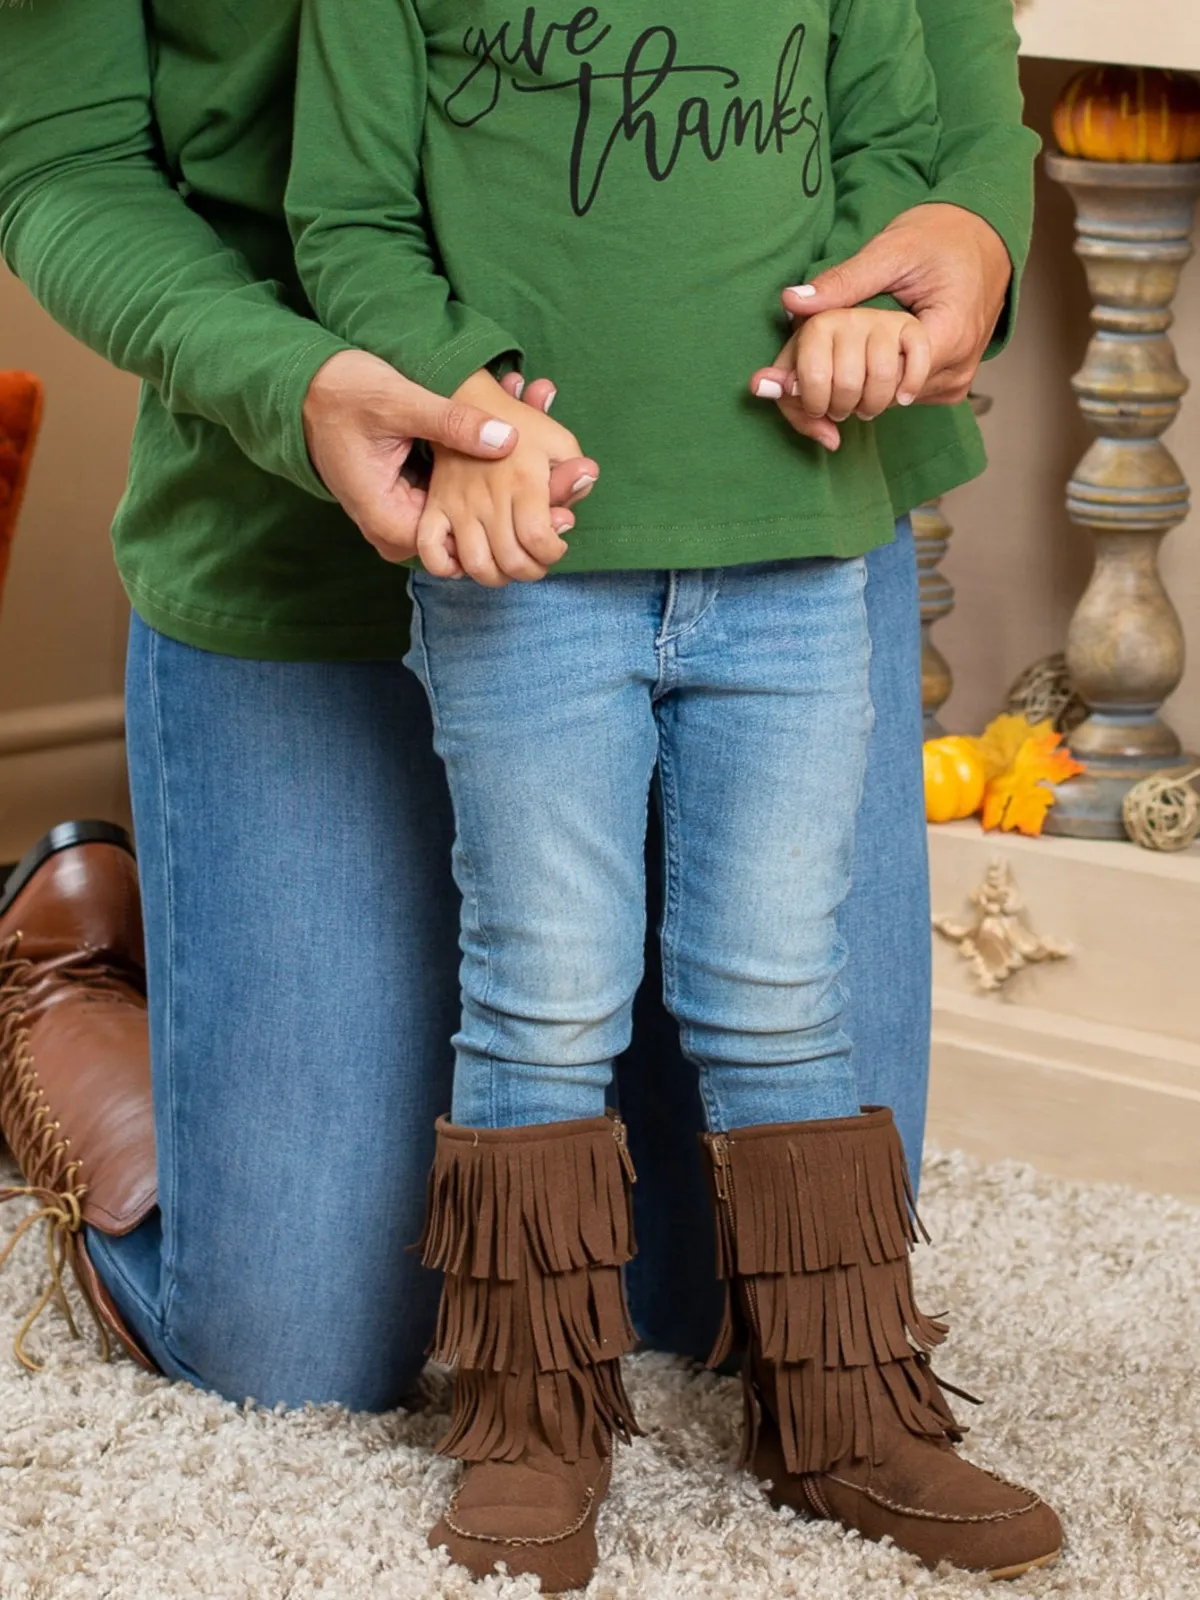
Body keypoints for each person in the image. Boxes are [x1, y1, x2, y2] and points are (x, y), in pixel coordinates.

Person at [0, 0, 1042, 1571]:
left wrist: (969, 219)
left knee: (712, 1293)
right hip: (340, 513)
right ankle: (66, 997)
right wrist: (319, 378)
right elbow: (66, 158)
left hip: (762, 519)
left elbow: (920, 64)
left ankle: (845, 1413)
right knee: (300, 1348)